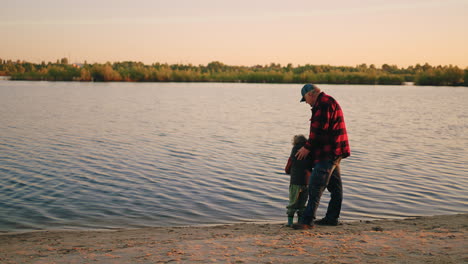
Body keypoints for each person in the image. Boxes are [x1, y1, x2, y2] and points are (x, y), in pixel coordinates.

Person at [293, 83, 350, 229]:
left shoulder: (323, 104)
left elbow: (319, 130)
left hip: (328, 152)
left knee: (315, 186)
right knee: (335, 188)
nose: (306, 102)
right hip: (336, 150)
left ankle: (307, 221)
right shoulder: (327, 101)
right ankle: (332, 218)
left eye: (305, 99)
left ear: (310, 94)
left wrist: (307, 148)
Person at [284, 134, 313, 227]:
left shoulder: (294, 151)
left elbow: (288, 168)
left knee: (292, 203)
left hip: (295, 182)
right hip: (307, 182)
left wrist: (288, 171)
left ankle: (290, 223)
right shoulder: (309, 151)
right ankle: (300, 221)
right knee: (302, 204)